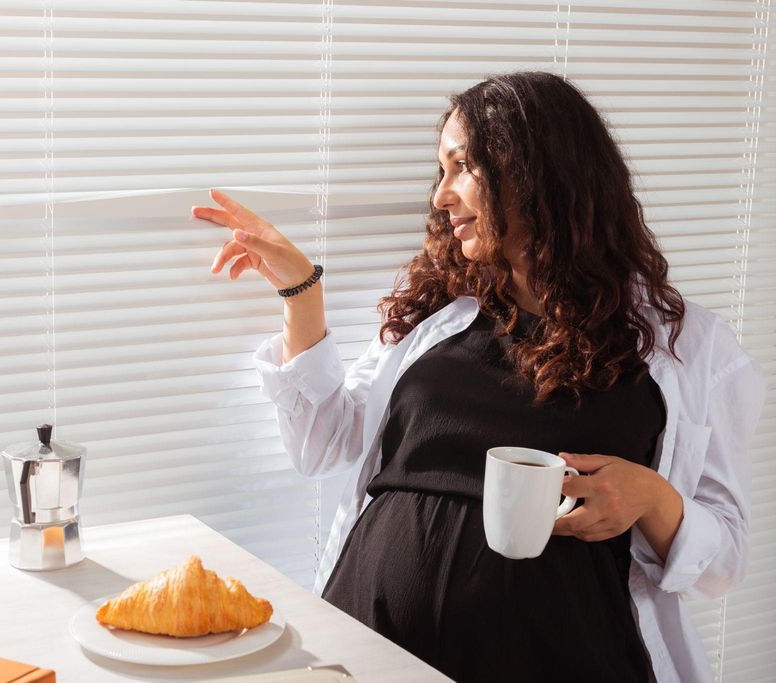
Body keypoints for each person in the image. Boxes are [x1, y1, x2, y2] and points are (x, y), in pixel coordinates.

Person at [191, 71, 766, 683]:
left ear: (540, 172)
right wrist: (300, 293)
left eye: (462, 166)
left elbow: (723, 560)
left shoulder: (685, 346)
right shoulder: (438, 316)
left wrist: (653, 497)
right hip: (371, 645)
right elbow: (323, 443)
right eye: (440, 172)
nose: (442, 197)